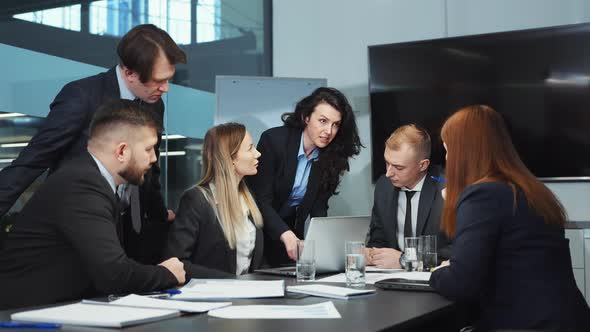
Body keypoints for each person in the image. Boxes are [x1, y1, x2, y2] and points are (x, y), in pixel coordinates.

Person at [0, 24, 186, 265]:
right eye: (158, 81)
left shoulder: (153, 103)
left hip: (127, 229)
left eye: (168, 79)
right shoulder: (82, 96)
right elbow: (33, 160)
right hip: (77, 227)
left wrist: (160, 216)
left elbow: (150, 167)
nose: (165, 89)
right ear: (129, 73)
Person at [0, 100, 185, 310]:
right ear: (122, 151)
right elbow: (114, 274)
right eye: (149, 149)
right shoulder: (82, 184)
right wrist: (167, 273)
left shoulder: (88, 178)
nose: (153, 159)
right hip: (23, 315)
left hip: (53, 309)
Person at [429, 105, 590, 331]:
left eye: (448, 150)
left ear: (464, 152)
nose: (447, 159)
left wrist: (436, 273)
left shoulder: (483, 195)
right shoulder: (530, 190)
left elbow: (461, 283)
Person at [248, 87, 362, 266]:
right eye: (323, 121)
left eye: (335, 124)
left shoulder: (332, 157)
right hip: (259, 232)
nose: (329, 131)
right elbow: (260, 200)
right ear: (306, 117)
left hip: (292, 236)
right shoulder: (274, 141)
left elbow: (319, 209)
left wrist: (327, 248)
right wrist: (285, 234)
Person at [164, 123, 264, 278]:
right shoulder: (196, 200)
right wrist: (233, 283)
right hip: (211, 297)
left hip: (246, 296)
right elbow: (177, 262)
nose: (257, 154)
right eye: (250, 148)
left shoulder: (248, 198)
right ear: (230, 158)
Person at [365, 124, 451, 269]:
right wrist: (371, 254)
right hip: (390, 279)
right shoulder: (384, 186)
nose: (388, 173)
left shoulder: (447, 189)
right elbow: (378, 239)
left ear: (423, 165)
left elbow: (455, 251)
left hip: (434, 279)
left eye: (398, 167)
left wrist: (405, 260)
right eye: (387, 163)